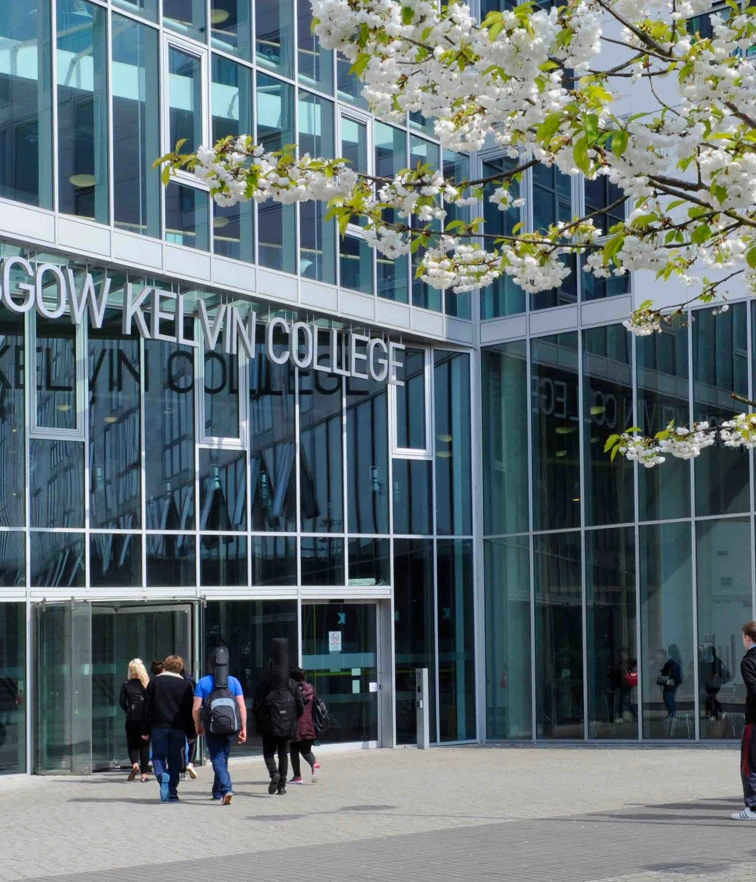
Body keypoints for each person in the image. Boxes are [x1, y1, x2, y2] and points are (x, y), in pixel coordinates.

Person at [193, 647, 247, 806]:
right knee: (223, 758)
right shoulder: (234, 681)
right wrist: (243, 728)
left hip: (212, 727)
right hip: (231, 727)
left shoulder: (203, 682)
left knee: (217, 759)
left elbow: (196, 708)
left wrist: (198, 725)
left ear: (211, 665)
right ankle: (217, 791)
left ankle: (226, 788)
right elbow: (241, 706)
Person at [141, 654, 195, 803]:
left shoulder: (155, 682)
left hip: (159, 726)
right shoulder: (185, 685)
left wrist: (144, 729)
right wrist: (191, 733)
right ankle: (172, 792)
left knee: (158, 756)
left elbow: (146, 707)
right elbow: (188, 711)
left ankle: (161, 775)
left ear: (165, 666)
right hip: (178, 728)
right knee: (175, 759)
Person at [252, 638, 303, 796]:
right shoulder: (291, 684)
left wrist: (259, 721)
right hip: (287, 725)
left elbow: (256, 706)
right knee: (283, 754)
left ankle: (274, 773)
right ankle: (282, 786)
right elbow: (300, 705)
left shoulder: (265, 684)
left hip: (269, 725)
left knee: (268, 753)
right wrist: (293, 719)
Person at [732, 622, 756, 820]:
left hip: (754, 719)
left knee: (749, 763)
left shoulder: (748, 661)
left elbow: (754, 689)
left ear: (748, 638)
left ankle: (753, 808)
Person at [119, 658, 150, 782]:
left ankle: (135, 765)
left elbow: (122, 702)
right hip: (144, 718)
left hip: (131, 718)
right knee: (145, 746)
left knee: (132, 744)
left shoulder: (126, 685)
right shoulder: (147, 684)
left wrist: (128, 710)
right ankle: (144, 775)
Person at [289, 666, 321, 785]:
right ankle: (314, 764)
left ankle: (297, 776)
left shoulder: (292, 690)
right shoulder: (311, 688)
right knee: (306, 750)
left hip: (295, 724)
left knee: (293, 749)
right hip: (309, 724)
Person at [180, 662, 198, 780]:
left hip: (178, 715)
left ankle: (182, 770)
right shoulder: (191, 680)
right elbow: (197, 698)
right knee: (192, 740)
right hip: (191, 714)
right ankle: (190, 763)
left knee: (180, 743)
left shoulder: (175, 681)